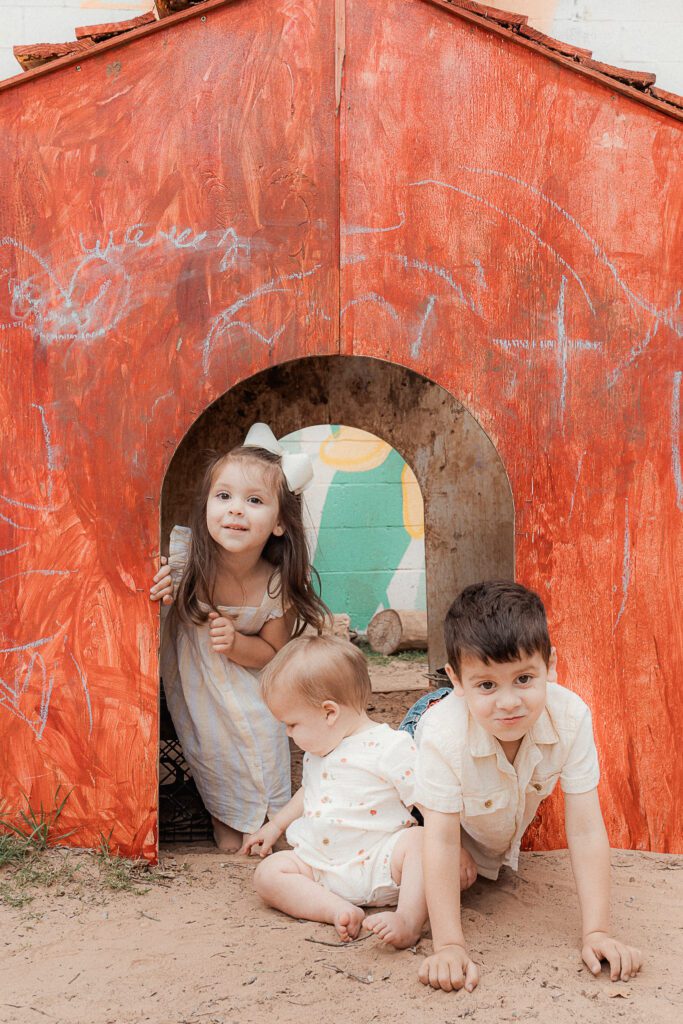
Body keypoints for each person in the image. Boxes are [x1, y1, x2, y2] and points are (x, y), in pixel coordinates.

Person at [402, 580, 642, 992]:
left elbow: (585, 829)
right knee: (406, 844)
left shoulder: (571, 718)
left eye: (524, 679)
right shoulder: (441, 736)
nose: (509, 701)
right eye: (487, 684)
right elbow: (439, 841)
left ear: (550, 665)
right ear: (456, 680)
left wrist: (597, 931)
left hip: (476, 771)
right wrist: (449, 945)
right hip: (419, 737)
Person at [149, 423, 328, 854]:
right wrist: (158, 587)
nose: (235, 510)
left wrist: (236, 644)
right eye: (223, 496)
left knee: (266, 732)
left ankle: (270, 814)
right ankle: (225, 813)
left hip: (247, 675)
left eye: (254, 501)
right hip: (198, 683)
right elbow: (150, 594)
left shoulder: (274, 585)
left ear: (281, 524)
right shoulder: (185, 559)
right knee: (211, 752)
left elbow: (272, 652)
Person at [242, 635, 427, 948]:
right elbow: (309, 792)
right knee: (268, 874)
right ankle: (336, 909)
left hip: (382, 863)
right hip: (320, 868)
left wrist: (452, 851)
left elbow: (432, 802)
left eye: (292, 724)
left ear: (329, 713)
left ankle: (408, 919)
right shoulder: (320, 750)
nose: (288, 733)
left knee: (420, 841)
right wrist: (276, 825)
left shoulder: (390, 747)